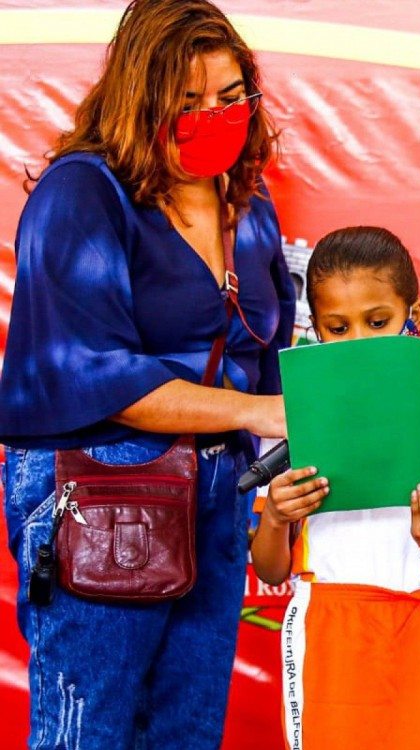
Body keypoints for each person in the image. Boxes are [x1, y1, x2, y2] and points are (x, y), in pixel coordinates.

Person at [0, 1, 293, 747]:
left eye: (230, 96)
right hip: (106, 491)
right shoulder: (83, 193)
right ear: (142, 100)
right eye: (188, 102)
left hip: (220, 490)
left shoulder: (249, 203)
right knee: (88, 732)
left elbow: (269, 360)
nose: (213, 116)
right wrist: (257, 414)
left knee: (187, 732)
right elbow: (96, 374)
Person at [250, 226, 420, 750]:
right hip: (327, 630)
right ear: (315, 327)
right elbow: (269, 569)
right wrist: (275, 517)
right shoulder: (297, 414)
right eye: (338, 327)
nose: (358, 340)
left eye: (377, 321)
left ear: (413, 312)